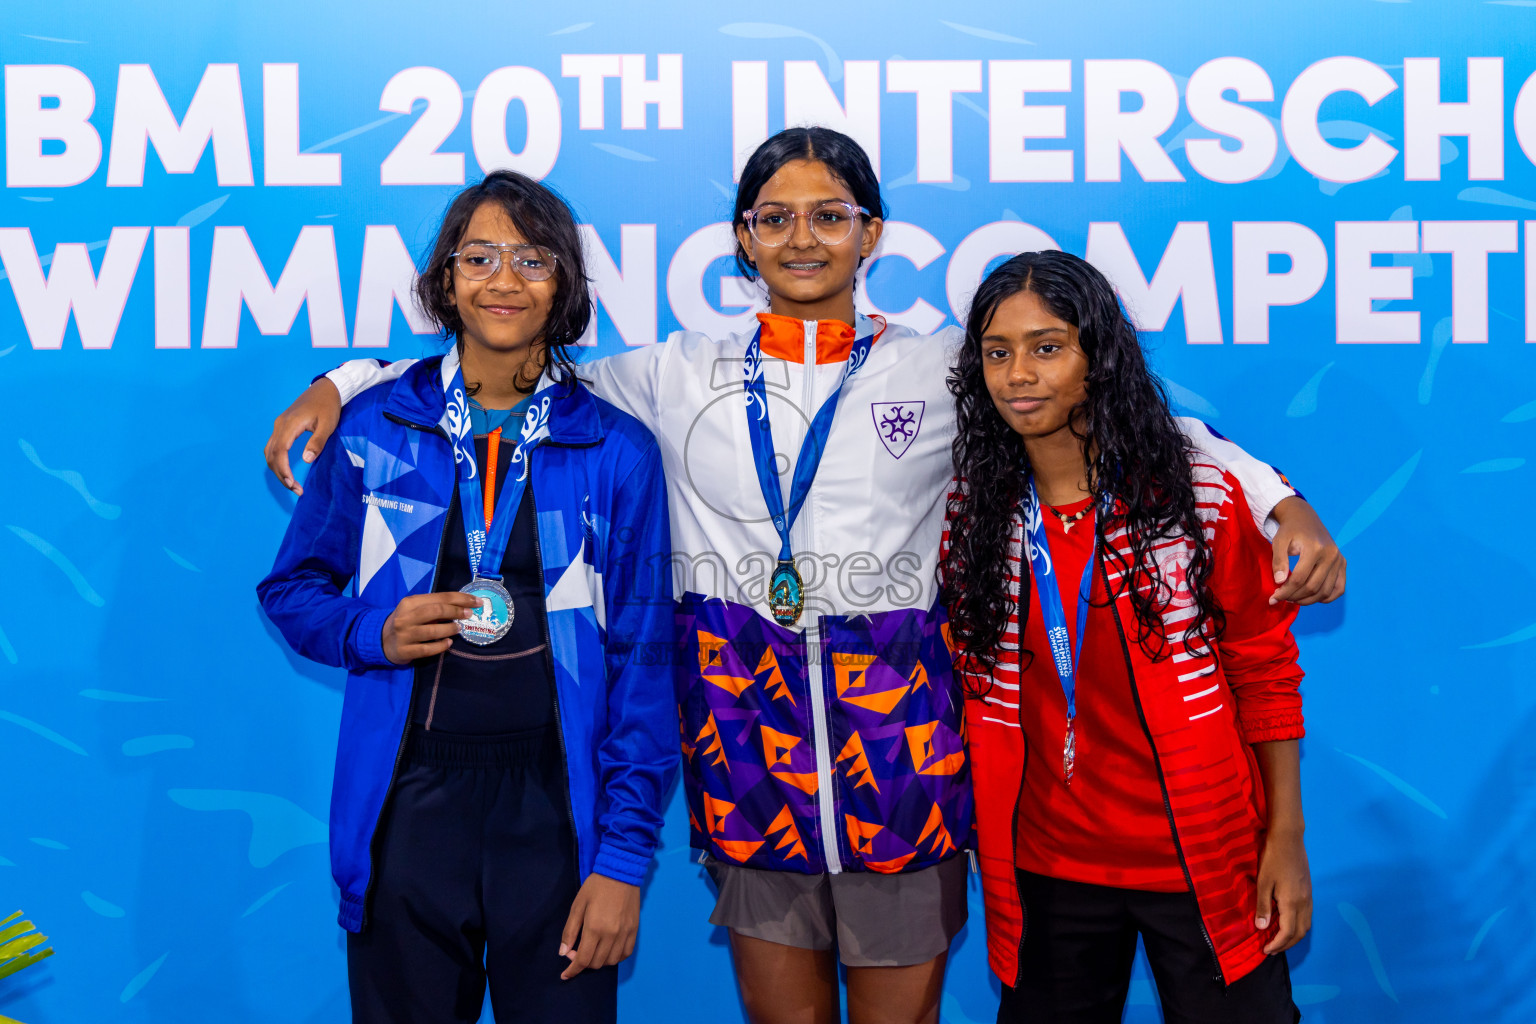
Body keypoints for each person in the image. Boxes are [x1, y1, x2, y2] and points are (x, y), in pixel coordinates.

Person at [261, 129, 1342, 1024]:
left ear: (871, 233)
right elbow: (514, 361)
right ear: (741, 240)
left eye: (831, 214)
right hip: (748, 748)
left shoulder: (943, 366)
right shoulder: (679, 371)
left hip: (904, 760)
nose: (803, 237)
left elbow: (1112, 412)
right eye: (775, 217)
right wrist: (342, 379)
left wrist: (1270, 490)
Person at [257, 170, 676, 1024]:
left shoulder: (614, 447)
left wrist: (624, 860)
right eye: (478, 256)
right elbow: (291, 589)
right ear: (444, 279)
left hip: (560, 815)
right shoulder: (377, 427)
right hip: (408, 804)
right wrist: (368, 631)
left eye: (532, 258)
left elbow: (644, 662)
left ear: (564, 283)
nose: (504, 279)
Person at [941, 250, 1313, 1024]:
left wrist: (1285, 839)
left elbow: (1265, 672)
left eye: (1047, 348)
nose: (1019, 375)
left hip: (1202, 858)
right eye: (997, 353)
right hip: (1049, 867)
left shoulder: (1198, 495)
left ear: (1097, 358)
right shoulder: (975, 511)